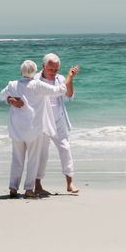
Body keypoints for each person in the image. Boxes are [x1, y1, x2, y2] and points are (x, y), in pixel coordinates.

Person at [0, 60, 75, 198]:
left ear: (21, 71)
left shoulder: (12, 84)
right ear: (35, 72)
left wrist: (10, 100)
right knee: (33, 159)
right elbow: (59, 90)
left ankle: (13, 188)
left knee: (16, 159)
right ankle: (29, 190)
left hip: (16, 129)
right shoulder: (37, 85)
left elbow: (1, 95)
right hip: (33, 129)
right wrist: (70, 76)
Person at [34, 53, 80, 195]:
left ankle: (70, 183)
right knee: (42, 153)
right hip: (42, 121)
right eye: (51, 69)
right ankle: (37, 184)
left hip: (58, 120)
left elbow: (70, 95)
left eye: (56, 69)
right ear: (43, 66)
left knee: (65, 148)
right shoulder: (35, 79)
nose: (54, 72)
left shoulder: (61, 79)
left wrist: (70, 78)